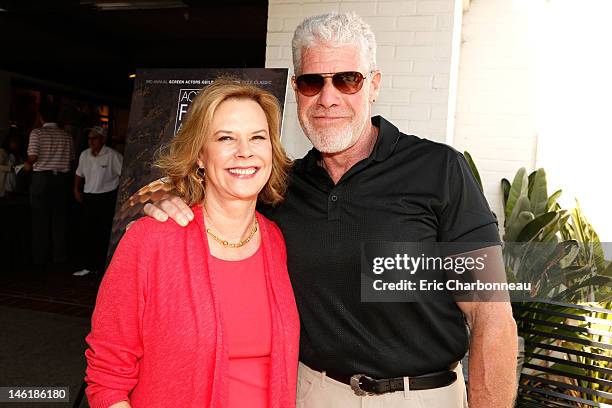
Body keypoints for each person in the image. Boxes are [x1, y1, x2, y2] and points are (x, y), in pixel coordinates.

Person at [144, 13, 518, 408]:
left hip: (421, 397)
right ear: (296, 89)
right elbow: (220, 199)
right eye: (311, 82)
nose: (328, 98)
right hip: (310, 393)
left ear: (373, 84)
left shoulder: (440, 170)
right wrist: (173, 200)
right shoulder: (281, 185)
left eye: (347, 79)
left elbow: (491, 316)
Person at [84, 80, 299, 408]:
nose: (245, 151)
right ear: (200, 154)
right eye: (226, 138)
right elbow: (107, 380)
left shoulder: (274, 241)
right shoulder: (150, 241)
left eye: (258, 137)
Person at [25, 102, 74, 266]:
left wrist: (26, 165)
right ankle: (59, 257)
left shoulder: (37, 133)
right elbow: (72, 159)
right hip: (62, 180)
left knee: (40, 219)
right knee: (59, 219)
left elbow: (33, 157)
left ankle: (40, 258)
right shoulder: (67, 136)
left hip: (42, 179)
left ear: (41, 117)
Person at [73, 126, 123, 276]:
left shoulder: (112, 155)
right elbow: (79, 173)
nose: (91, 141)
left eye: (94, 138)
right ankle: (88, 266)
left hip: (106, 197)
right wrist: (76, 189)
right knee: (87, 232)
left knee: (104, 233)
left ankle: (103, 268)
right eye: (89, 138)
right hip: (89, 196)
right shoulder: (84, 155)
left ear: (102, 139)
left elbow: (124, 174)